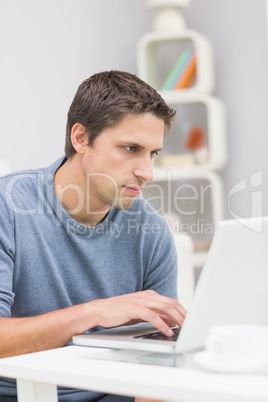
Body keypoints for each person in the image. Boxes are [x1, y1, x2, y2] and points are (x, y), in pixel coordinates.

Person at [0, 70, 187, 401]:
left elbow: (159, 367)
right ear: (81, 138)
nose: (147, 172)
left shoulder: (151, 231)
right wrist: (94, 312)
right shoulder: (9, 207)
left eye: (152, 153)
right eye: (130, 148)